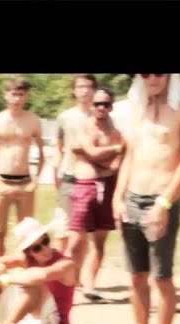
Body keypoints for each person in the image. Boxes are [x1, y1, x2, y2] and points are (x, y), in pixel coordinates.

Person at [107, 74, 180, 324]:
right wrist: (118, 196)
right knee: (136, 276)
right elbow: (130, 156)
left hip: (162, 199)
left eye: (158, 73)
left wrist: (164, 203)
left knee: (162, 277)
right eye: (145, 73)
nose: (152, 78)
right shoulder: (136, 109)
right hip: (133, 197)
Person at [66, 88, 123, 300]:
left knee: (99, 242)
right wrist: (114, 150)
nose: (101, 108)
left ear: (111, 107)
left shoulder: (115, 132)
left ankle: (89, 286)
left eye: (106, 104)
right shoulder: (83, 127)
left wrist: (95, 158)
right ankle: (67, 284)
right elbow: (93, 152)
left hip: (107, 187)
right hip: (85, 185)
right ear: (91, 105)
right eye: (97, 103)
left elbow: (116, 165)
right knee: (75, 241)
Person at [0, 76, 45, 258]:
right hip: (2, 183)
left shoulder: (33, 120)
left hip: (25, 184)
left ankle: (25, 269)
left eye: (21, 94)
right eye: (14, 94)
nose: (17, 99)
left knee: (27, 234)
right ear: (6, 95)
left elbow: (42, 153)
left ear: (26, 96)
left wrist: (36, 180)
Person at [55, 75, 96, 220]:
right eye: (80, 87)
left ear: (94, 90)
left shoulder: (101, 117)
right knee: (65, 224)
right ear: (73, 90)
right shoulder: (64, 117)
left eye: (89, 86)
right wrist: (57, 174)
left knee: (89, 226)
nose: (85, 91)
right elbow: (58, 148)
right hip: (69, 177)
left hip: (93, 177)